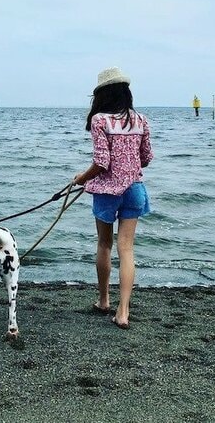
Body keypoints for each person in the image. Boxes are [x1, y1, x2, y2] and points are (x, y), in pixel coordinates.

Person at [74, 67, 153, 330]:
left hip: (108, 192)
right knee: (127, 249)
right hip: (134, 189)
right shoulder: (141, 120)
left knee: (105, 244)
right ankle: (123, 311)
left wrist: (82, 178)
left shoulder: (99, 120)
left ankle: (104, 299)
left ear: (102, 94)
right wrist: (129, 165)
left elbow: (101, 161)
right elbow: (146, 158)